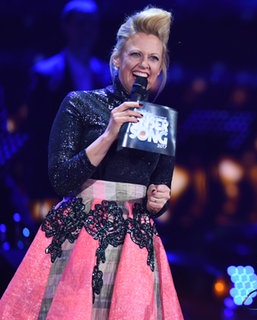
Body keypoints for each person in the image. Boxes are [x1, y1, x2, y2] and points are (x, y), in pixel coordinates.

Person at [0, 6, 183, 319]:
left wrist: (159, 200)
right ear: (117, 59)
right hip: (79, 237)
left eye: (154, 58)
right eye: (136, 54)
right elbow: (60, 179)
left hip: (134, 246)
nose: (145, 65)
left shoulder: (160, 121)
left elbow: (160, 187)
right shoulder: (79, 102)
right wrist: (110, 133)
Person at [18, 0, 111, 215]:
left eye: (92, 24)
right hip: (55, 174)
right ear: (66, 26)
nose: (87, 30)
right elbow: (36, 129)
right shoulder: (44, 74)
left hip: (96, 176)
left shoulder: (106, 75)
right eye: (80, 23)